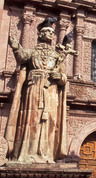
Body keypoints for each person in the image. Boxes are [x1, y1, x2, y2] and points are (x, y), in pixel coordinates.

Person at [5, 19, 70, 164]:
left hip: (51, 91)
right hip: (33, 88)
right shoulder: (33, 52)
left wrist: (59, 77)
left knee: (50, 122)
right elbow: (21, 56)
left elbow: (64, 77)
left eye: (52, 33)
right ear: (40, 34)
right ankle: (26, 153)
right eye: (48, 32)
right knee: (31, 119)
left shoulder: (56, 56)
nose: (51, 34)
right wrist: (15, 46)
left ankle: (46, 154)